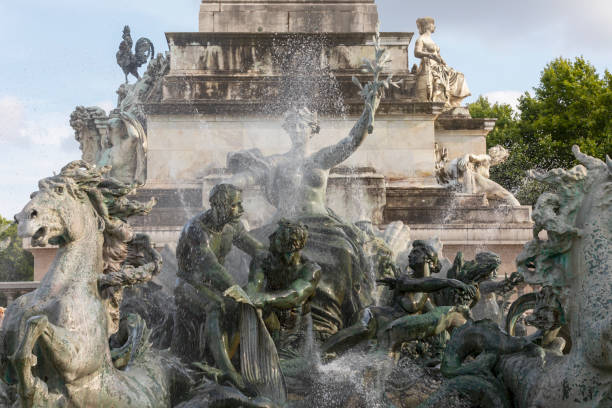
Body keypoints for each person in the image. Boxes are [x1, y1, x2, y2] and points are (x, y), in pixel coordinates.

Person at [226, 91, 384, 340]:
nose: (298, 130)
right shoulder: (278, 161)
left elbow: (352, 141)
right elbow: (251, 176)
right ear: (287, 130)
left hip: (321, 223)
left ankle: (333, 319)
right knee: (247, 250)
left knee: (344, 250)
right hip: (282, 226)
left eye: (303, 125)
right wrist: (230, 185)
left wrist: (368, 110)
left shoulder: (322, 158)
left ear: (313, 129)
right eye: (293, 126)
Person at [173, 183, 265, 389]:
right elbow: (212, 268)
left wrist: (257, 281)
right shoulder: (196, 230)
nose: (241, 210)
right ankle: (227, 371)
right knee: (216, 305)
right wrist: (240, 292)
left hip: (214, 285)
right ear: (219, 205)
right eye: (236, 205)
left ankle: (243, 360)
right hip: (189, 284)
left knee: (238, 304)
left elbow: (259, 251)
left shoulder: (232, 226)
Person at [245, 219, 321, 356]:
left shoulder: (310, 269)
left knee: (296, 366)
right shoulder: (263, 260)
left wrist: (265, 298)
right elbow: (254, 285)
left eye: (278, 237)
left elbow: (295, 296)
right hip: (271, 318)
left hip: (297, 331)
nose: (271, 238)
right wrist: (250, 294)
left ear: (292, 246)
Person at [414, 17, 470, 108]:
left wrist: (443, 62)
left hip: (439, 65)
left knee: (459, 76)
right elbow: (416, 53)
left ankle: (454, 102)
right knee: (440, 76)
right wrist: (430, 55)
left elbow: (438, 54)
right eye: (433, 24)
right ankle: (443, 100)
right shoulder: (421, 39)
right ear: (428, 26)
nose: (434, 26)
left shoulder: (431, 40)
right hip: (430, 65)